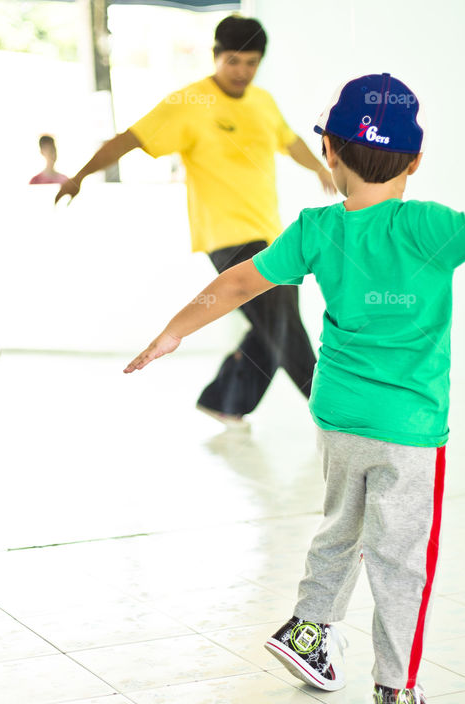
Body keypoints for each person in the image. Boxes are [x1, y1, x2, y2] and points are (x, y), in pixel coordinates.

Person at [124, 73, 465, 704]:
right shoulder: (431, 225)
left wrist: (172, 332)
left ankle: (310, 628)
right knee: (402, 559)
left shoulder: (315, 229)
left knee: (342, 525)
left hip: (339, 417)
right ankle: (396, 691)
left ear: (332, 152)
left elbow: (235, 284)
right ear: (417, 160)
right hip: (409, 429)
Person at [56, 15, 334, 428]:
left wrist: (320, 169)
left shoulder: (262, 102)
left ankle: (223, 399)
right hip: (225, 235)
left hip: (269, 233)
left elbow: (290, 141)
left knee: (270, 327)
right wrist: (78, 175)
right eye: (233, 62)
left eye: (251, 63)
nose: (242, 72)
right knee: (280, 322)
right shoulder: (189, 103)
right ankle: (331, 411)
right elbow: (129, 139)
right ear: (216, 57)